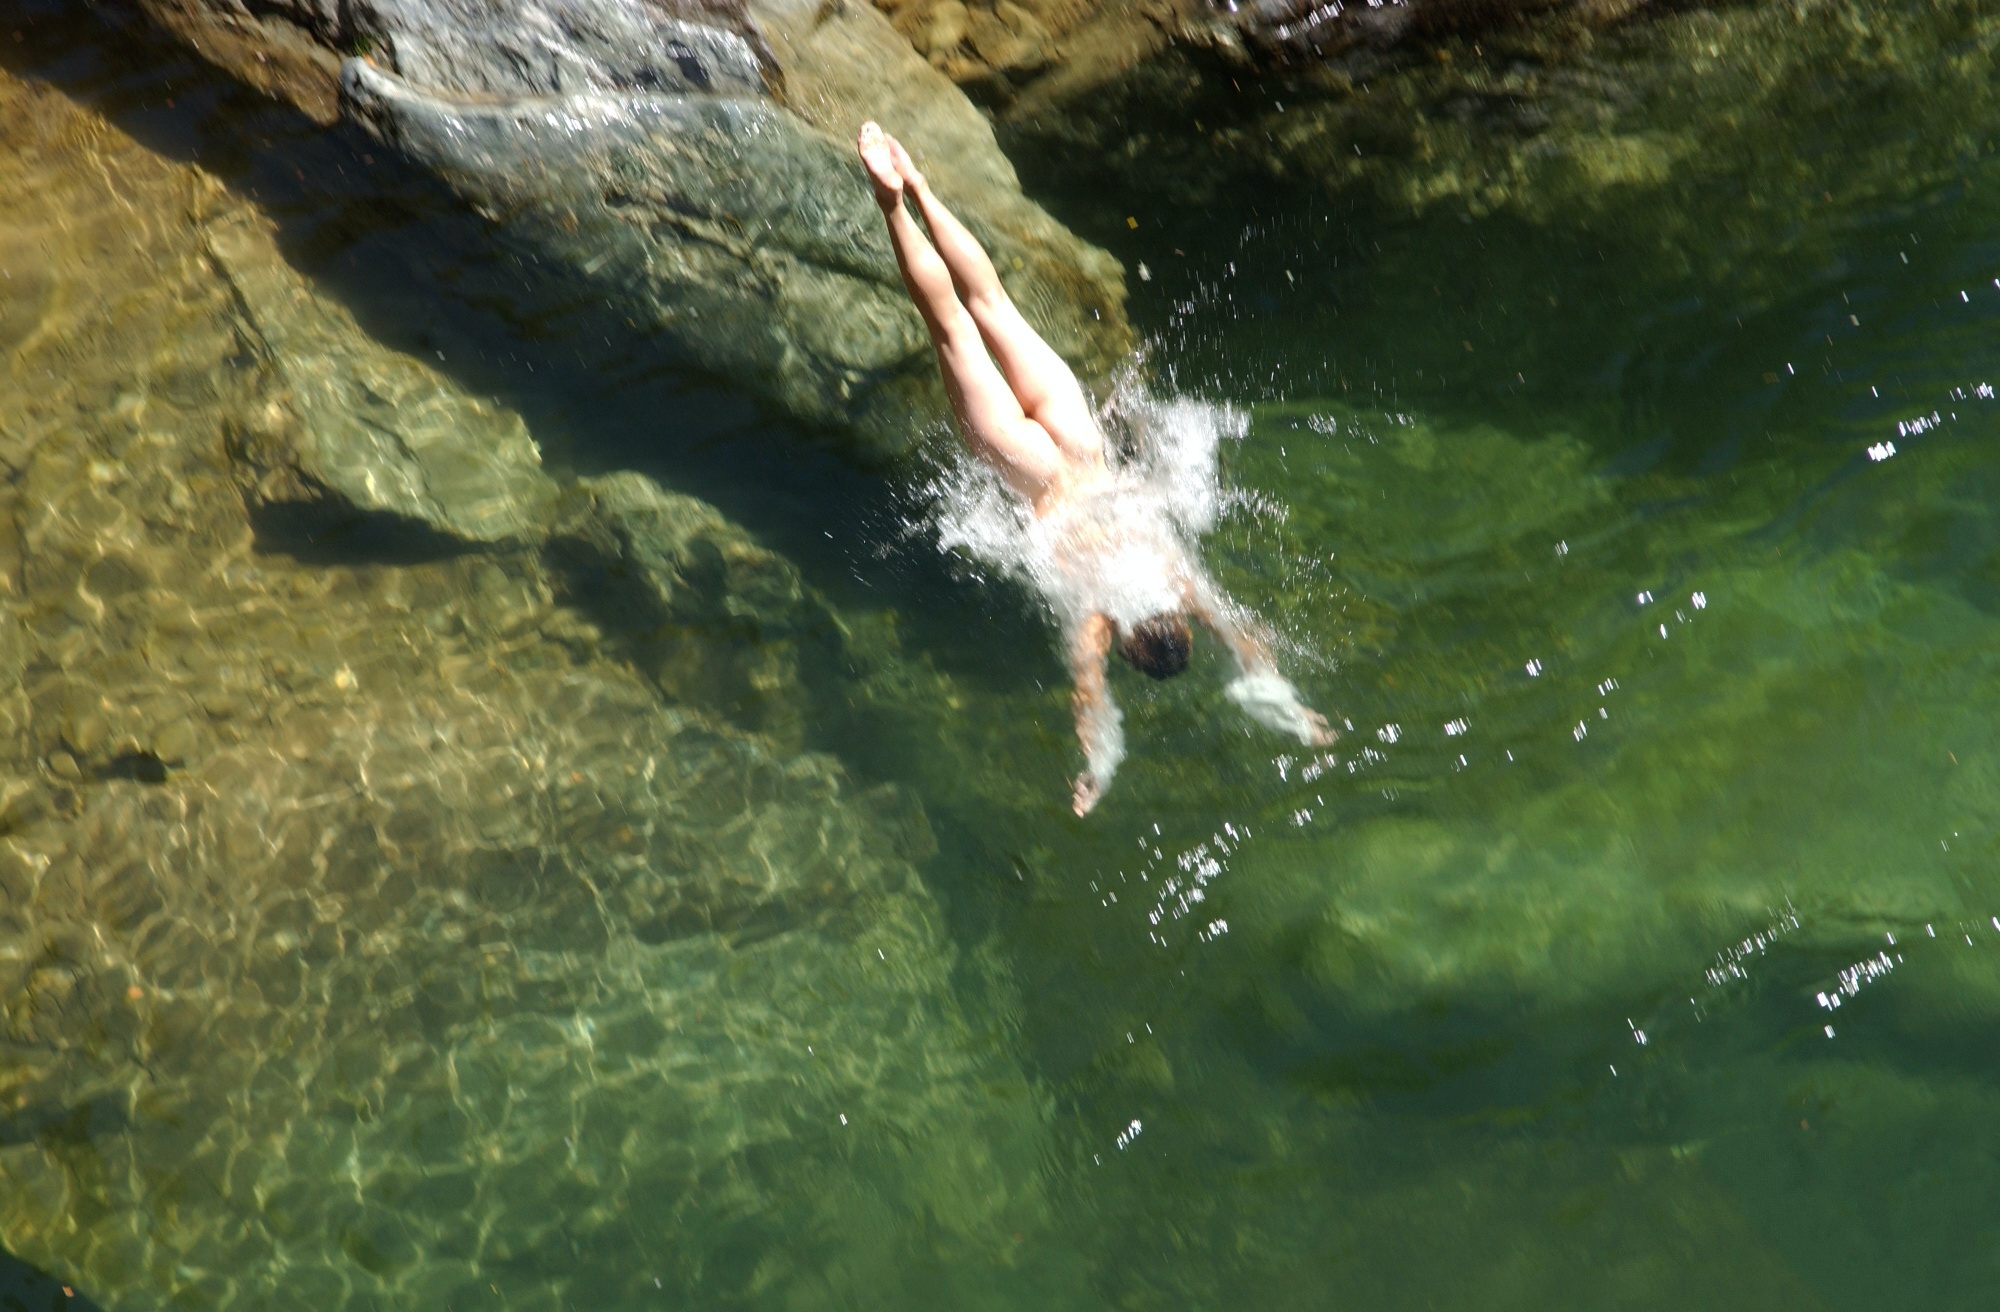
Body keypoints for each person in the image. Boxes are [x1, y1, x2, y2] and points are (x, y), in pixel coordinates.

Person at [858, 122, 1335, 815]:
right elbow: (1091, 699)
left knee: (991, 304)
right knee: (952, 326)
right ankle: (891, 202)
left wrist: (1296, 711)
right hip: (1030, 475)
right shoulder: (1097, 622)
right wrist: (1098, 772)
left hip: (1082, 445)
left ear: (1180, 625)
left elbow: (1250, 645)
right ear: (1128, 647)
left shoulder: (1181, 584)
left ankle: (920, 185)